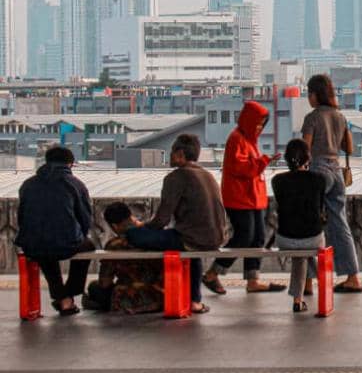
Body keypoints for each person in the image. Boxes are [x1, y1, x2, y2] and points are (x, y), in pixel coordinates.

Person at [125, 134, 229, 314]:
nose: (170, 157)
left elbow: (161, 220)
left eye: (172, 152)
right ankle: (195, 301)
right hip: (216, 238)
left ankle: (155, 292)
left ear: (180, 154)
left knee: (134, 235)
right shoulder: (208, 175)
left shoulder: (176, 177)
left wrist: (142, 228)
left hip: (192, 239)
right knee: (191, 250)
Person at [202, 101, 284, 295]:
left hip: (253, 198)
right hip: (240, 198)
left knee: (257, 238)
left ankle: (253, 279)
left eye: (262, 124)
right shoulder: (237, 139)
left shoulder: (249, 141)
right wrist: (264, 161)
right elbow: (241, 168)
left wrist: (262, 161)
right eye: (257, 123)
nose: (259, 128)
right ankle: (213, 273)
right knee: (243, 237)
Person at [14, 146, 95, 316]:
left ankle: (63, 298)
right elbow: (85, 218)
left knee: (43, 251)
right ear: (70, 164)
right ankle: (69, 292)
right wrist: (80, 234)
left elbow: (22, 217)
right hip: (67, 242)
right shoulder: (76, 184)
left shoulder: (28, 184)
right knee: (88, 246)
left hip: (32, 244)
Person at [302, 74, 362, 293]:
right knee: (340, 223)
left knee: (308, 225)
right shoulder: (340, 116)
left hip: (317, 170)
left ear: (315, 95)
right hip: (336, 171)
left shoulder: (312, 118)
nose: (308, 98)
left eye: (309, 93)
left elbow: (304, 149)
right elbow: (350, 148)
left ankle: (307, 280)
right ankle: (352, 276)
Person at [272, 139, 329, 312]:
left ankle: (298, 299)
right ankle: (315, 285)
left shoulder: (277, 180)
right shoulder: (319, 179)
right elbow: (320, 209)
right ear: (308, 158)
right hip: (312, 237)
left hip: (285, 239)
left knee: (300, 252)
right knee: (307, 245)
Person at [83, 203, 164, 315]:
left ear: (114, 226)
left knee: (94, 287)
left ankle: (98, 304)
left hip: (128, 299)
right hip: (161, 297)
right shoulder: (154, 234)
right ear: (131, 215)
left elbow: (105, 283)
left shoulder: (113, 245)